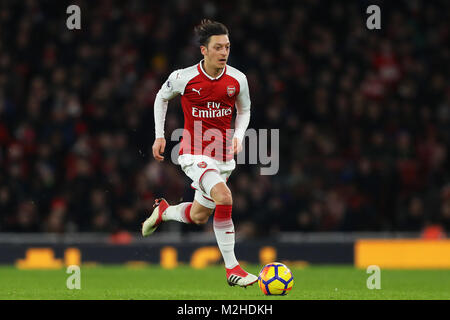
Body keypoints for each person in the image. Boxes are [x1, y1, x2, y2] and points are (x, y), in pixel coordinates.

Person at [142, 19, 257, 287]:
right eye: (218, 47)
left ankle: (164, 212)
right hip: (193, 152)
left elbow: (245, 110)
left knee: (198, 215)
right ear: (203, 50)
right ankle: (233, 269)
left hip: (223, 157)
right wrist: (160, 136)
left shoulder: (238, 79)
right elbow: (161, 97)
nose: (224, 52)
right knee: (224, 197)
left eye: (227, 47)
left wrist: (239, 136)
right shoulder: (183, 77)